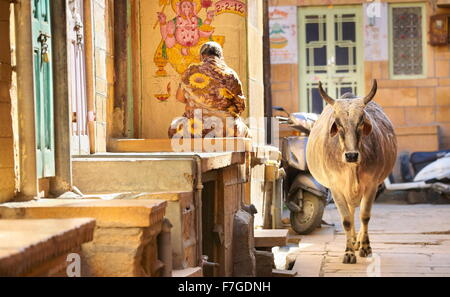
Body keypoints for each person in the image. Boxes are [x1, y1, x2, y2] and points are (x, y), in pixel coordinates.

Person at [168, 42, 251, 139]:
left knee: (173, 129)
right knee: (247, 133)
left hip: (194, 129)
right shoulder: (231, 74)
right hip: (225, 130)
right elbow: (241, 106)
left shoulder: (191, 70)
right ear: (220, 57)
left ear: (202, 56)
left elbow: (180, 98)